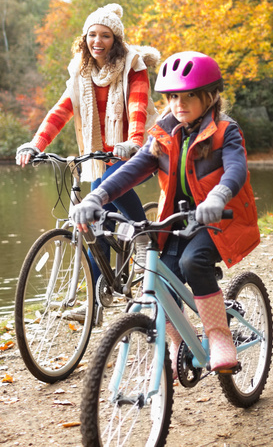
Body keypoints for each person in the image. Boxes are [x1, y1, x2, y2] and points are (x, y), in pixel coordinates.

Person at [71, 51, 259, 375]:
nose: (178, 104)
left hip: (218, 219)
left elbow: (236, 169)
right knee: (157, 279)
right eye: (172, 96)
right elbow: (133, 169)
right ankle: (177, 342)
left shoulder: (225, 131)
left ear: (210, 97)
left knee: (192, 262)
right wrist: (98, 196)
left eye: (188, 96)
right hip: (177, 221)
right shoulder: (164, 132)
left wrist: (219, 196)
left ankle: (218, 336)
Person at [15, 3, 161, 295]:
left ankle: (144, 236)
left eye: (105, 36)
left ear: (116, 41)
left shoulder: (133, 67)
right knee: (94, 223)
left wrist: (133, 142)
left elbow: (137, 106)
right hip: (101, 157)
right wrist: (36, 144)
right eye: (92, 34)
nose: (97, 41)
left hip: (143, 149)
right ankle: (96, 296)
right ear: (84, 39)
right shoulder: (81, 73)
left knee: (103, 187)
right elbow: (61, 111)